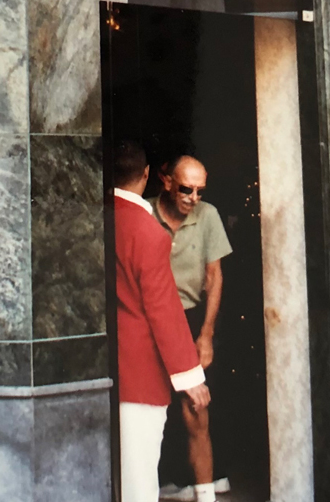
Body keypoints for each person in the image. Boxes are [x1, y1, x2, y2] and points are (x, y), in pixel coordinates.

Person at [112, 140, 211, 502]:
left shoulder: (94, 216)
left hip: (97, 367)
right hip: (139, 373)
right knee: (139, 481)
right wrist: (190, 377)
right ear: (148, 176)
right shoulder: (148, 231)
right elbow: (162, 309)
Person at [151, 156, 232, 502]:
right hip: (152, 319)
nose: (193, 198)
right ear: (166, 181)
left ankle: (204, 487)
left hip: (191, 316)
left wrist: (207, 334)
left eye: (200, 191)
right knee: (155, 403)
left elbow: (214, 277)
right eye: (186, 189)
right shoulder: (144, 213)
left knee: (195, 404)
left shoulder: (208, 215)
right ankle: (168, 478)